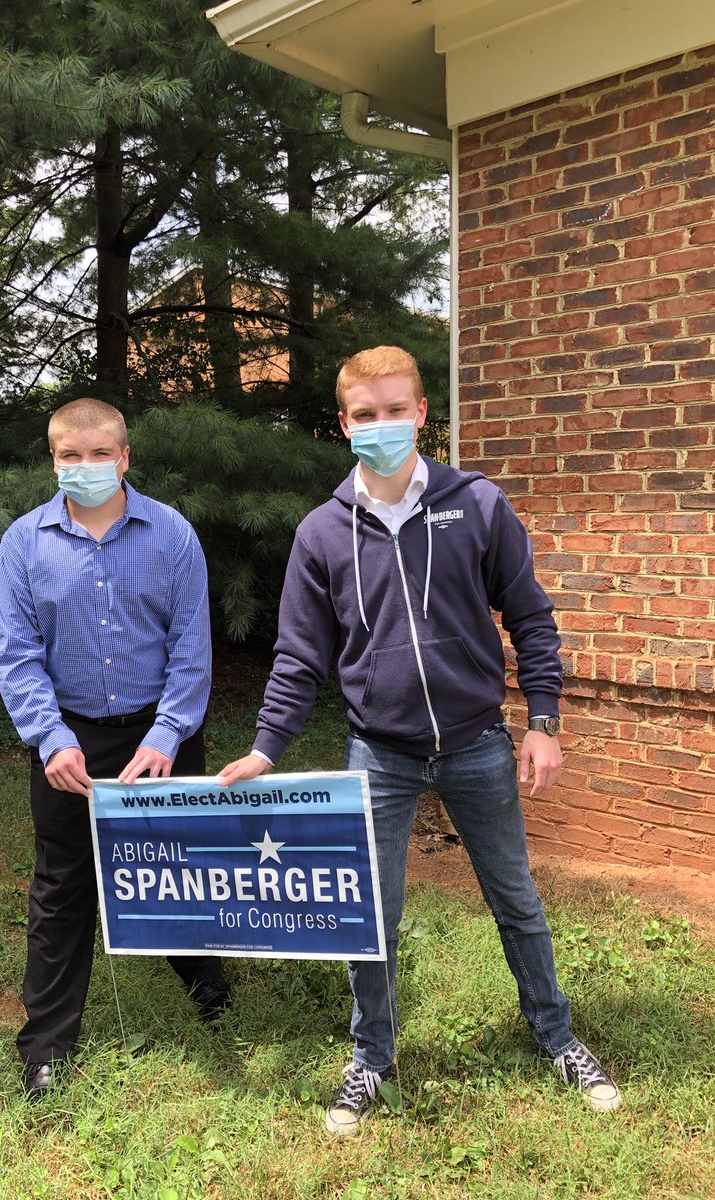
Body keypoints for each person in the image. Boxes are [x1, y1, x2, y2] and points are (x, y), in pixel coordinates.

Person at [218, 346, 620, 1133]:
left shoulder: (477, 504)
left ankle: (558, 1036)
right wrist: (268, 746)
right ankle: (372, 1058)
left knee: (517, 902)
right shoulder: (322, 533)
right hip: (380, 751)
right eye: (365, 415)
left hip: (476, 742)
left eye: (395, 410)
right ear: (344, 424)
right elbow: (300, 654)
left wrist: (543, 721)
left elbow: (531, 617)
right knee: (372, 915)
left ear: (421, 414)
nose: (382, 426)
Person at [0, 397, 230, 1101]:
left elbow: (192, 647)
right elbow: (15, 652)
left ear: (124, 457)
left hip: (162, 733)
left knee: (179, 868)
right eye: (71, 455)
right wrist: (48, 738)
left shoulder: (173, 536)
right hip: (68, 737)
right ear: (54, 460)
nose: (86, 467)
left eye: (101, 454)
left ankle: (206, 980)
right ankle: (46, 1045)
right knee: (63, 887)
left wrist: (167, 734)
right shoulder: (22, 545)